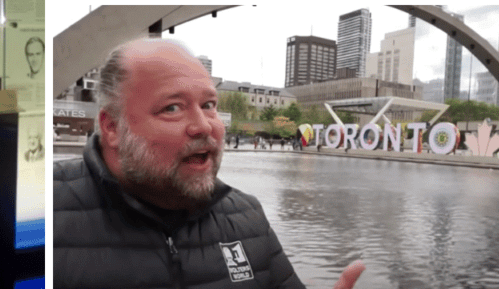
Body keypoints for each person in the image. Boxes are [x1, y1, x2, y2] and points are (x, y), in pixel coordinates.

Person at [53, 38, 366, 289]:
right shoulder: (42, 211)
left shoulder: (248, 216)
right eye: (172, 107)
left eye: (209, 105)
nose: (203, 126)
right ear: (112, 127)